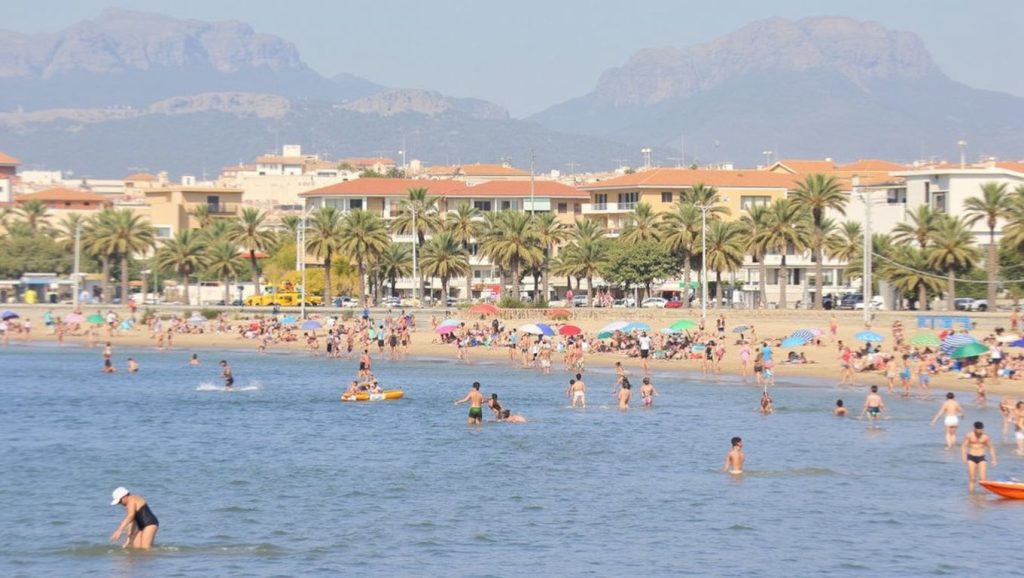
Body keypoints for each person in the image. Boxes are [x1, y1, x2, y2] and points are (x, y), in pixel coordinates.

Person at [961, 421, 997, 493]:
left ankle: (985, 495)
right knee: (972, 478)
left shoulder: (985, 437)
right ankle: (971, 495)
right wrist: (963, 456)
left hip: (981, 458)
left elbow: (991, 448)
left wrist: (994, 459)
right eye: (978, 430)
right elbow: (963, 446)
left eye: (981, 430)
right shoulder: (969, 435)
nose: (980, 431)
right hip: (971, 457)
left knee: (983, 479)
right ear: (974, 429)